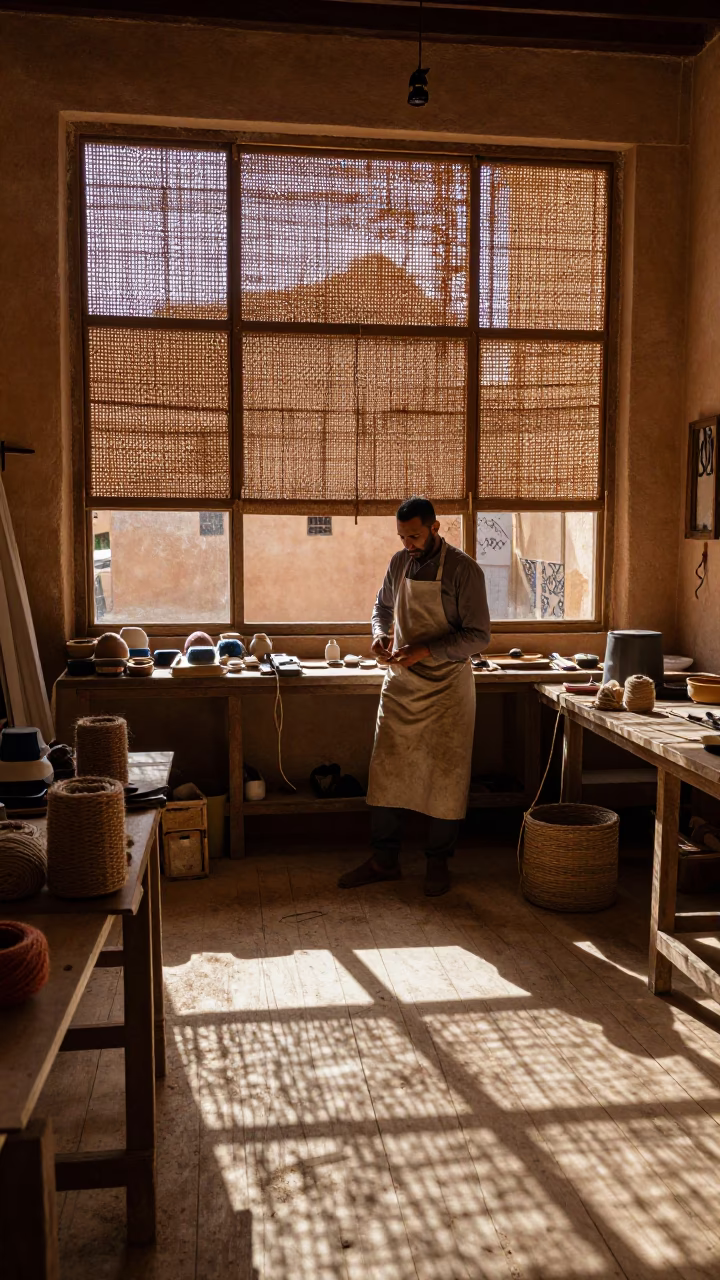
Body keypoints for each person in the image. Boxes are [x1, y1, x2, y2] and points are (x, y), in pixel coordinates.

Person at [338, 496, 491, 897]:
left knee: (445, 775)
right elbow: (382, 606)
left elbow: (478, 636)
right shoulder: (399, 563)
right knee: (387, 769)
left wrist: (425, 650)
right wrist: (379, 635)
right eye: (402, 537)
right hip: (402, 684)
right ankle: (384, 860)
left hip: (447, 687)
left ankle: (437, 862)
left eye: (415, 536)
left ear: (435, 528)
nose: (408, 544)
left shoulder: (464, 570)